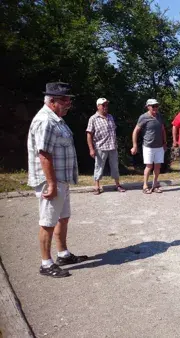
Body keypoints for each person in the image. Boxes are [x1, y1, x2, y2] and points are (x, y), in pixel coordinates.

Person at [27, 82, 88, 278]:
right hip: (50, 180)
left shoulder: (56, 119)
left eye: (69, 99)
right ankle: (46, 263)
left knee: (62, 217)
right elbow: (44, 154)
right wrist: (51, 183)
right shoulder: (46, 120)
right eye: (64, 99)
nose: (69, 103)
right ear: (51, 101)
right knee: (48, 221)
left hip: (61, 179)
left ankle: (63, 254)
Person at [86, 97, 126, 194]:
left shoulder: (110, 117)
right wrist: (91, 149)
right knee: (99, 167)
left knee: (115, 167)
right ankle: (97, 186)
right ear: (98, 106)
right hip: (100, 147)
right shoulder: (93, 118)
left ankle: (117, 184)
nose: (105, 107)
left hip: (112, 146)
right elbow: (89, 134)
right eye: (103, 105)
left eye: (106, 105)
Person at [130, 99, 167, 194]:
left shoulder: (159, 116)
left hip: (159, 146)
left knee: (158, 166)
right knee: (149, 166)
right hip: (148, 146)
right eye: (153, 106)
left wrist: (164, 142)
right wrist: (134, 145)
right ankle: (145, 185)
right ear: (148, 107)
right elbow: (135, 131)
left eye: (156, 106)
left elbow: (163, 130)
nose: (155, 108)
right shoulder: (143, 117)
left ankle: (155, 185)